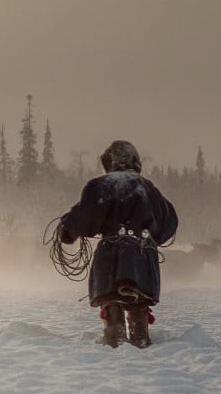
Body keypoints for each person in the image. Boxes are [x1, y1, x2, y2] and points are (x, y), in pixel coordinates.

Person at [60, 140, 178, 348]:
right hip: (143, 255)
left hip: (111, 254)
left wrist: (68, 231)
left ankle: (114, 344)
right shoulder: (149, 188)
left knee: (111, 300)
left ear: (110, 161)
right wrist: (148, 237)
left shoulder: (100, 186)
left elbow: (84, 219)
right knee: (139, 303)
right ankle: (140, 341)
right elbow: (169, 223)